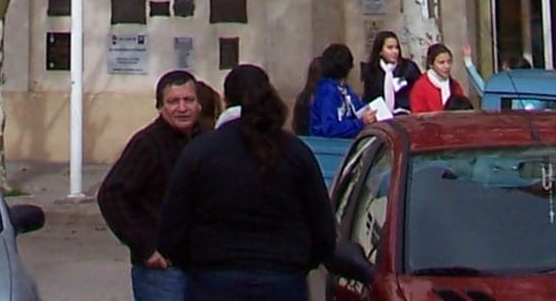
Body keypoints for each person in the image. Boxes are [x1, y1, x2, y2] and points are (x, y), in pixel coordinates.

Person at [157, 63, 374, 301]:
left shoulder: (200, 152)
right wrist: (300, 264)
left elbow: (170, 229)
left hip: (214, 281)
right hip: (282, 281)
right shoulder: (296, 153)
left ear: (227, 100)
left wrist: (197, 264)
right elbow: (323, 230)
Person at [99, 67, 204, 300]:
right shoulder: (148, 144)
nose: (182, 108)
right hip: (162, 273)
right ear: (160, 107)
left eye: (189, 100)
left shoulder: (204, 142)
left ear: (199, 105)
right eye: (173, 101)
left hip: (200, 267)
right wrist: (145, 247)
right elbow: (111, 195)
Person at [302, 42, 368, 138]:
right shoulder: (327, 92)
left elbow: (359, 108)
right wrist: (360, 123)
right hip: (327, 147)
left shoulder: (346, 89)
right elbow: (329, 128)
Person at [359, 29, 420, 119]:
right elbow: (368, 97)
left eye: (397, 47)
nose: (395, 51)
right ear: (380, 51)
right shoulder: (371, 70)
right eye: (390, 48)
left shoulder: (408, 67)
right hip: (380, 117)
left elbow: (418, 91)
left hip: (405, 115)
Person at [407, 40, 470, 113]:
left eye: (449, 62)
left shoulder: (454, 85)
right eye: (441, 63)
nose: (446, 66)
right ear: (431, 64)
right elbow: (418, 116)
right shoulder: (420, 87)